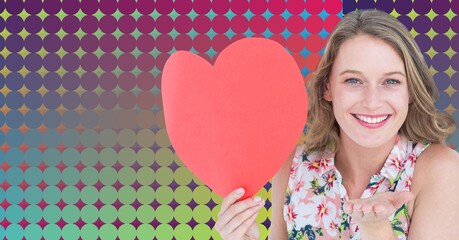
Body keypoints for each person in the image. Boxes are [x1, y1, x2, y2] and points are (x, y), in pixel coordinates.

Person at [215, 9, 459, 240]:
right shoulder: (293, 166)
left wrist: (376, 229)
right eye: (353, 80)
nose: (372, 102)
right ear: (327, 88)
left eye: (391, 82)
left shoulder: (441, 170)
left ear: (411, 92)